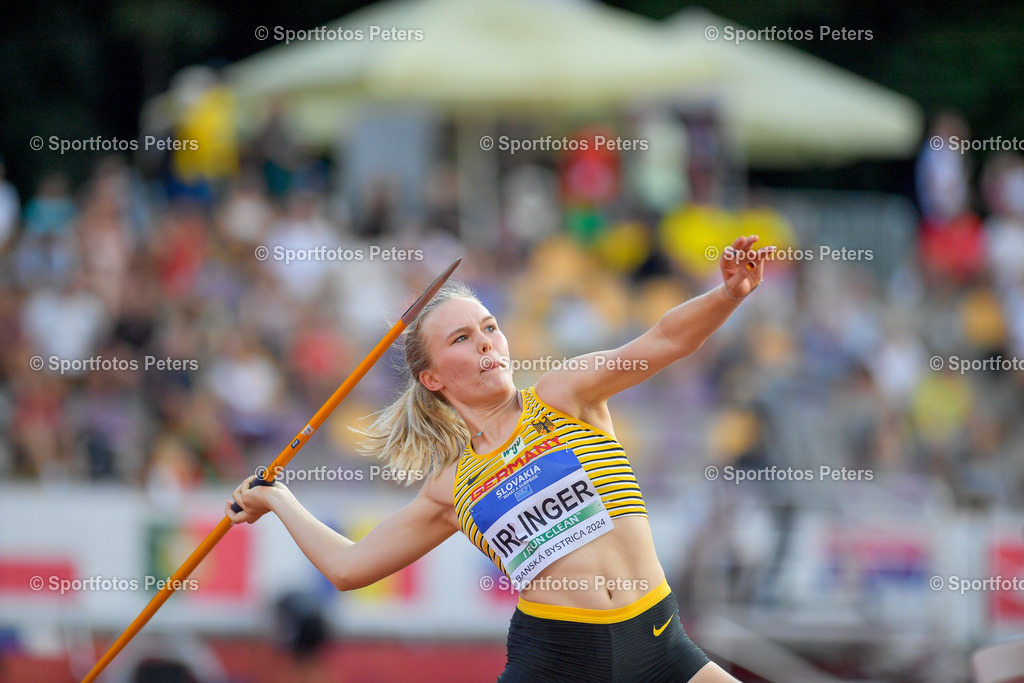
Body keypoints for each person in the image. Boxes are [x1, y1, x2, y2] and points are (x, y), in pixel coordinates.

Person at [227, 235, 774, 681]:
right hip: (557, 661)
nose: (487, 342)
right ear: (433, 377)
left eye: (490, 327)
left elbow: (664, 341)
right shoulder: (451, 485)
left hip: (658, 645)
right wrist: (279, 500)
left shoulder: (565, 394)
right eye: (463, 338)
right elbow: (349, 568)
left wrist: (727, 295)